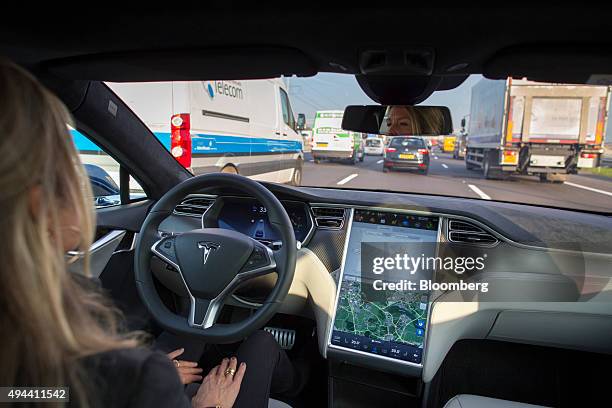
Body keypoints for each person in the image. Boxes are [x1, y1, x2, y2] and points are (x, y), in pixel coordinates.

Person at [0, 58, 301, 407]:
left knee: (180, 330)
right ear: (41, 205)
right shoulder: (139, 379)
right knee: (261, 345)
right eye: (70, 165)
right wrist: (207, 404)